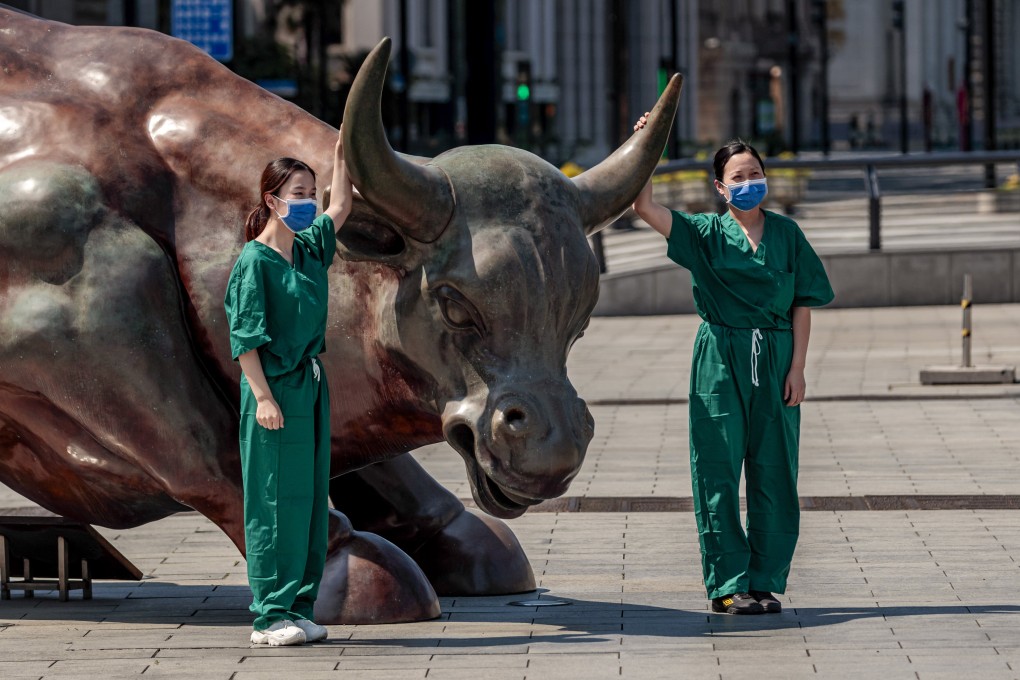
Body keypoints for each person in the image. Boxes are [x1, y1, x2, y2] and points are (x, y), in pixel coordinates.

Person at [631, 119, 834, 615]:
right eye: (738, 177)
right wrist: (648, 144)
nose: (749, 183)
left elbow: (803, 302)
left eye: (756, 173)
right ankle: (727, 583)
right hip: (719, 360)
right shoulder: (703, 234)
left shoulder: (787, 234)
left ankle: (764, 580)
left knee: (775, 470)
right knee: (717, 470)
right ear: (720, 188)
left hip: (778, 357)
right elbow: (644, 207)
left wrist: (799, 369)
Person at [224, 128, 353, 645]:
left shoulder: (308, 248)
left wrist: (344, 154)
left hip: (310, 386)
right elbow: (244, 339)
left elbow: (341, 204)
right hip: (273, 388)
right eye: (298, 195)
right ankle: (268, 616)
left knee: (307, 498)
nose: (307, 203)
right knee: (273, 501)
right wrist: (262, 399)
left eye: (309, 193)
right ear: (272, 200)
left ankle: (299, 606)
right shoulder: (253, 263)